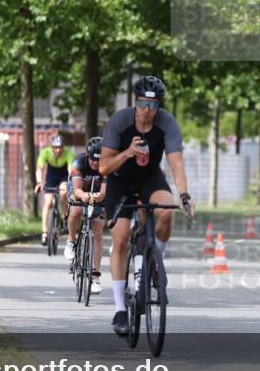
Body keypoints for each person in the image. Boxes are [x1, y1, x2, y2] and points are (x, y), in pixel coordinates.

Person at [100, 76, 194, 336]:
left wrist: (184, 194)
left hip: (150, 178)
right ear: (135, 102)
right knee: (119, 240)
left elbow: (176, 163)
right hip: (120, 181)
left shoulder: (167, 123)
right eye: (143, 104)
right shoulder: (119, 121)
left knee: (166, 209)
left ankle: (155, 262)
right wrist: (128, 153)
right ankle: (120, 309)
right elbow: (104, 167)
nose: (148, 110)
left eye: (154, 105)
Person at [64, 137, 107, 294]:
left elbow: (103, 192)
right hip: (80, 190)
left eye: (99, 160)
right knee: (75, 210)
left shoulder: (107, 165)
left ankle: (95, 277)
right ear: (87, 155)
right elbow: (76, 190)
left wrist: (99, 197)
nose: (96, 164)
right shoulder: (78, 162)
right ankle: (71, 240)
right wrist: (83, 196)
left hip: (97, 194)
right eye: (93, 160)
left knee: (98, 229)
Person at [35, 135, 75, 246]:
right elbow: (40, 169)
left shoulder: (68, 153)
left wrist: (71, 183)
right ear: (51, 147)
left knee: (63, 193)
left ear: (63, 147)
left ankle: (63, 218)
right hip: (51, 176)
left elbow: (70, 169)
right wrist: (39, 183)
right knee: (47, 202)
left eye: (60, 147)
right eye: (55, 147)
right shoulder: (45, 152)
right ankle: (44, 233)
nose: (58, 150)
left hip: (63, 175)